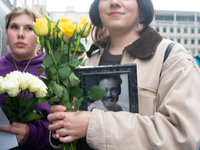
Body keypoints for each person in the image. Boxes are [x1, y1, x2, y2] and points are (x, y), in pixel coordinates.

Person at [48, 0, 200, 149]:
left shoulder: (172, 58)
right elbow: (76, 129)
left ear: (141, 7)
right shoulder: (87, 62)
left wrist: (93, 125)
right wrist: (61, 127)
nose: (114, 2)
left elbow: (182, 137)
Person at [0, 7, 53, 150]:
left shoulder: (52, 72)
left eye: (29, 28)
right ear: (6, 32)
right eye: (14, 27)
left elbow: (62, 124)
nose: (20, 34)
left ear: (40, 35)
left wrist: (31, 133)